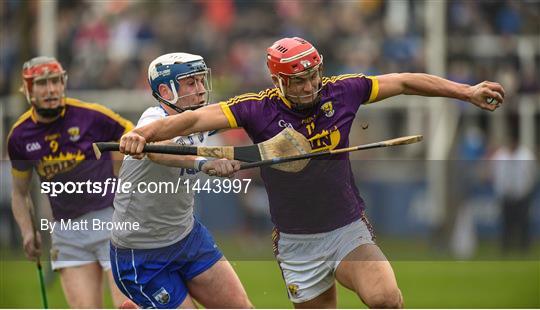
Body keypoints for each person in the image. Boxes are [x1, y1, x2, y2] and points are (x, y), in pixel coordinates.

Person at [119, 37, 505, 308]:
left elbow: (403, 81)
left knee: (386, 298)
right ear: (278, 81)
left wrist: (465, 91)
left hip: (346, 230)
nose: (309, 86)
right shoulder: (256, 108)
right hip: (296, 244)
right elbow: (191, 121)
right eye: (298, 80)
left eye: (313, 75)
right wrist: (142, 135)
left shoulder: (343, 91)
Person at [110, 53, 252, 309]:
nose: (200, 90)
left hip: (187, 237)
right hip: (142, 252)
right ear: (165, 90)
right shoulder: (152, 120)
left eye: (201, 81)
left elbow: (247, 113)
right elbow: (158, 149)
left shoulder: (200, 119)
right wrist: (204, 163)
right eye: (191, 83)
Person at [7, 56, 133, 307]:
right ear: (28, 89)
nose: (51, 89)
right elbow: (19, 194)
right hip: (67, 233)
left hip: (111, 221)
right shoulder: (19, 136)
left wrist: (120, 168)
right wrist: (27, 232)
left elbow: (134, 134)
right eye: (42, 83)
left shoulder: (90, 115)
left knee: (128, 306)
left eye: (55, 81)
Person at [491, 112, 536, 253]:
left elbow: (531, 174)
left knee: (523, 224)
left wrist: (525, 190)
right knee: (506, 224)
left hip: (522, 195)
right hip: (505, 196)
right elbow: (494, 173)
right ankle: (506, 249)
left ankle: (524, 249)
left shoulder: (526, 155)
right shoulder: (500, 155)